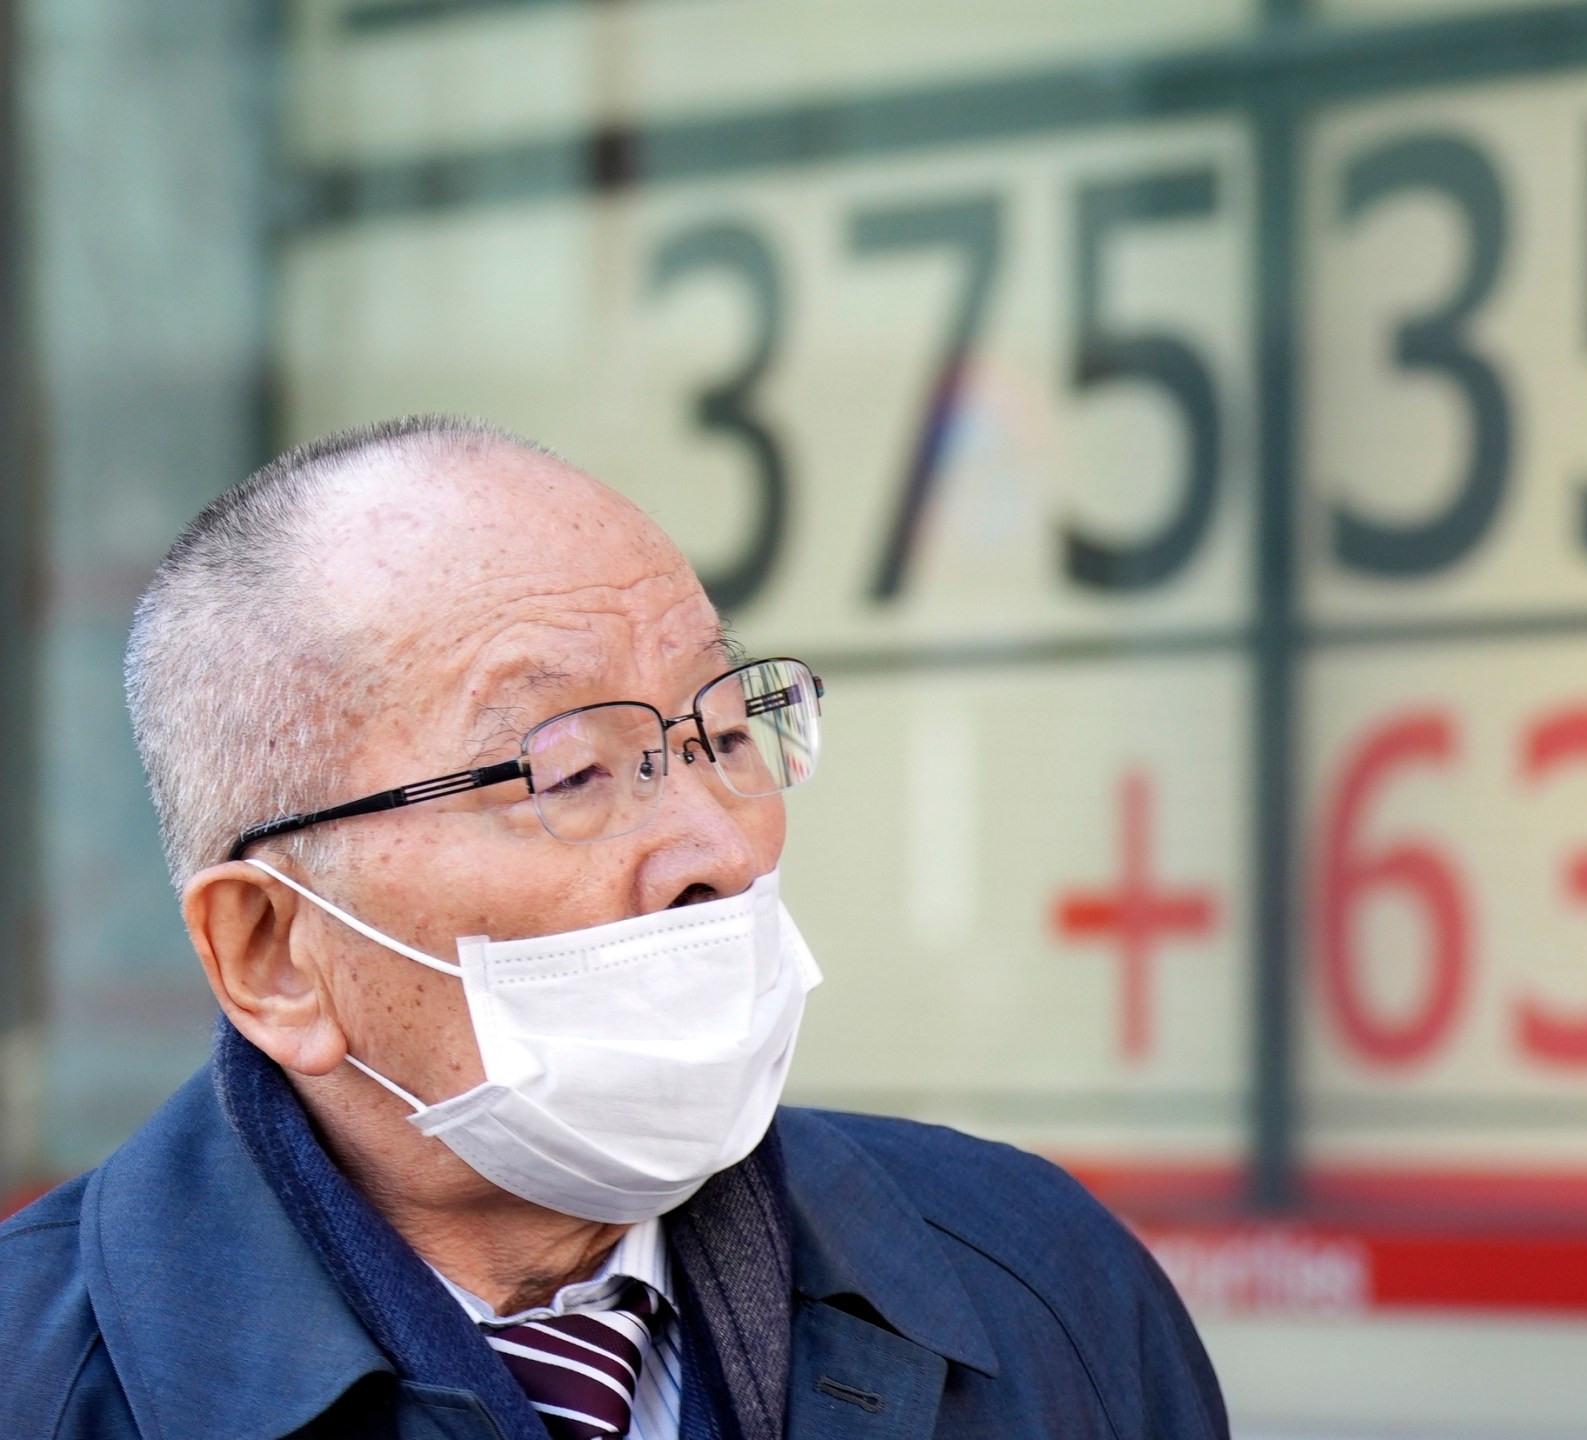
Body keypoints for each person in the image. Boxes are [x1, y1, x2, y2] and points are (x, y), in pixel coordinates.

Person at [0, 417, 1227, 1439]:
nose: (721, 847)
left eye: (725, 730)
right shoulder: (40, 1385)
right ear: (272, 954)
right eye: (569, 772)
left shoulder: (1034, 1289)